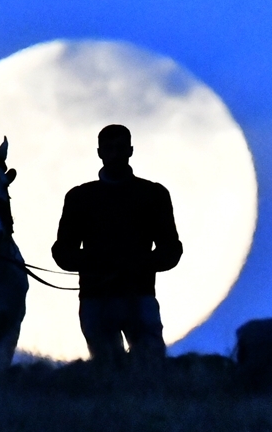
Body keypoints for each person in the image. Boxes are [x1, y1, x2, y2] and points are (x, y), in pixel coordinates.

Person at [52, 124, 183, 366]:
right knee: (108, 370)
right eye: (109, 149)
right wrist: (99, 261)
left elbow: (171, 249)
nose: (115, 154)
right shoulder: (80, 198)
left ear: (130, 151)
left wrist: (135, 264)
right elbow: (62, 252)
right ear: (100, 152)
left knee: (149, 368)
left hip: (138, 295)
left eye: (120, 148)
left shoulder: (153, 195)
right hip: (97, 299)